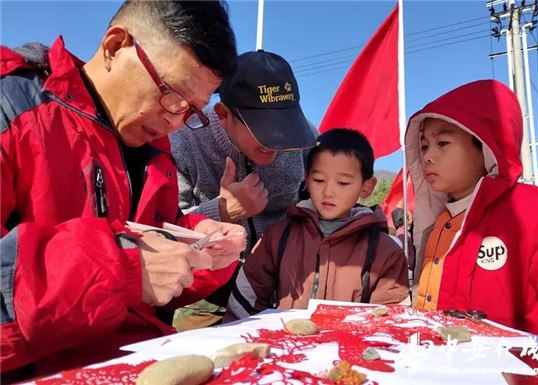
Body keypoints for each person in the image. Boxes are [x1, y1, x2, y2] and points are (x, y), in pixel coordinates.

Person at [0, 0, 246, 379]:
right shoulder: (13, 107)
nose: (176, 122)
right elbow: (133, 268)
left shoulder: (154, 152)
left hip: (133, 362)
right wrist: (122, 270)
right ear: (115, 46)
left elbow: (155, 276)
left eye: (192, 111)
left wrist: (202, 250)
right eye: (172, 94)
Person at [168, 50, 317, 328]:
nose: (276, 141)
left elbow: (319, 203)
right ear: (224, 115)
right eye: (262, 128)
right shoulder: (184, 141)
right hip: (205, 288)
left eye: (283, 125)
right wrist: (222, 211)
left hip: (281, 281)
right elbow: (165, 229)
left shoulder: (305, 138)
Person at [405, 79, 538, 330]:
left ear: (485, 146)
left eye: (442, 143)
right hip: (441, 361)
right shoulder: (437, 221)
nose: (427, 156)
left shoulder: (533, 210)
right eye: (424, 146)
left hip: (516, 365)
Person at [225, 129, 410, 321]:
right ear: (306, 179)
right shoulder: (277, 236)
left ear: (366, 187)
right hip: (284, 347)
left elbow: (391, 320)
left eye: (343, 182)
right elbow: (244, 304)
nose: (328, 192)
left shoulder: (385, 251)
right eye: (319, 180)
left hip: (348, 349)